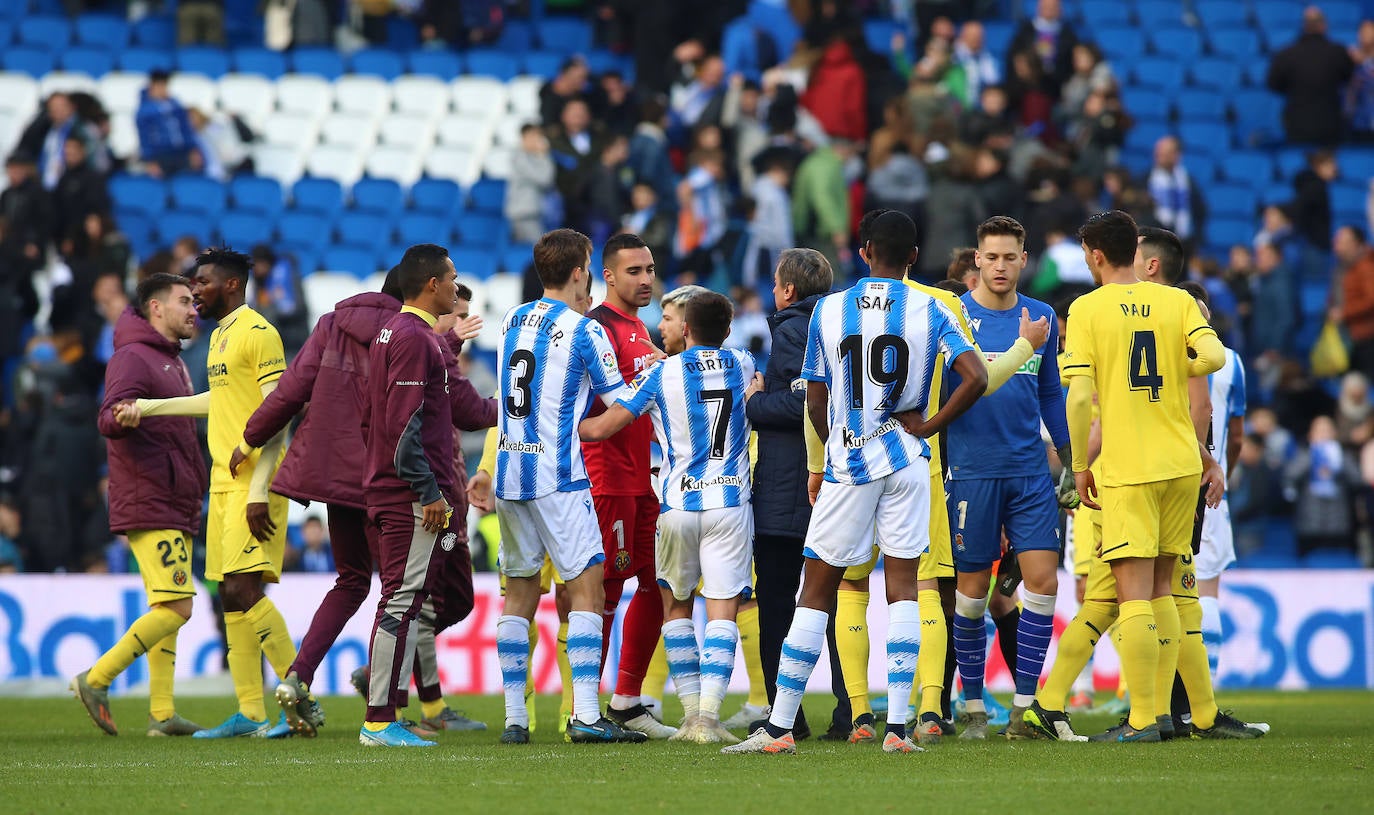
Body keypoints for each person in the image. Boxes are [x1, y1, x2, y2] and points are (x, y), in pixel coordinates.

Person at [724, 209, 989, 756]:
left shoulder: (829, 309)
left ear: (863, 251)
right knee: (904, 588)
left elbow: (815, 399)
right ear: (914, 257)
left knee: (818, 589)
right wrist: (930, 425)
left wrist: (833, 443)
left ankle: (778, 729)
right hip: (908, 460)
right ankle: (898, 728)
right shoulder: (932, 307)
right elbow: (977, 377)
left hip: (850, 461)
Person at [1059, 211, 1226, 742]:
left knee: (1133, 595)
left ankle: (1144, 718)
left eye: (1087, 254)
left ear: (1096, 254)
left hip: (1130, 468)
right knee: (1163, 591)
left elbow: (1081, 394)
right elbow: (1215, 356)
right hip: (1182, 464)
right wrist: (1181, 364)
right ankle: (1185, 718)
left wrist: (1079, 465)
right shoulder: (1177, 301)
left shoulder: (1087, 309)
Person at [116, 248, 295, 739]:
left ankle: (300, 693)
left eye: (203, 282)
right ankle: (253, 713)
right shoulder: (219, 337)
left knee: (242, 589)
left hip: (253, 481)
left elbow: (278, 410)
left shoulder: (261, 333)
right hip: (221, 481)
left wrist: (259, 487)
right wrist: (149, 408)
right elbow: (222, 401)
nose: (195, 292)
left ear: (232, 285)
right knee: (229, 599)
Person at [490, 228, 645, 745]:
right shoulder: (585, 331)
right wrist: (658, 380)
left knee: (518, 595)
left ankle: (515, 720)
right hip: (560, 476)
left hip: (511, 477)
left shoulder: (512, 318)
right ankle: (584, 714)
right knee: (586, 588)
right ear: (580, 270)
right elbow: (619, 401)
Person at [579, 291, 754, 744]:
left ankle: (692, 717)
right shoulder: (745, 363)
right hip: (731, 505)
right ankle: (709, 720)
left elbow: (603, 428)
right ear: (728, 330)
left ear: (687, 330)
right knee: (722, 611)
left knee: (675, 607)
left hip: (677, 507)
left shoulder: (660, 374)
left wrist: (555, 423)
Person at [945, 216, 1073, 740]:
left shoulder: (1041, 316)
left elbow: (1049, 394)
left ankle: (1024, 709)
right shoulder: (954, 318)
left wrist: (1069, 461)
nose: (1000, 266)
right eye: (991, 256)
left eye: (1009, 257)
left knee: (1042, 583)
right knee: (973, 594)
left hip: (1029, 472)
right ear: (976, 259)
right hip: (971, 472)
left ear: (1025, 260)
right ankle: (972, 703)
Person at [73, 273, 207, 737]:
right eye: (185, 301)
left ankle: (162, 713)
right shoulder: (133, 357)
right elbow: (108, 415)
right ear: (156, 308)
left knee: (166, 605)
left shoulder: (172, 361)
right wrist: (123, 416)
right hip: (149, 496)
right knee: (178, 606)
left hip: (174, 496)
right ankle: (96, 679)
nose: (195, 309)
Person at [558, 233, 674, 739]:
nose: (646, 279)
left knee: (658, 583)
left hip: (643, 479)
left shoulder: (641, 328)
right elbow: (577, 408)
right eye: (634, 271)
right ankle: (585, 709)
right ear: (607, 275)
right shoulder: (595, 328)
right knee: (603, 591)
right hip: (606, 478)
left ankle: (627, 700)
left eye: (650, 269)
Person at [356, 244, 461, 748]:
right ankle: (379, 721)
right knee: (401, 601)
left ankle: (386, 716)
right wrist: (430, 493)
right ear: (431, 285)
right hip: (408, 495)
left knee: (405, 600)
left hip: (388, 487)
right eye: (452, 279)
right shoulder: (416, 338)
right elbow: (404, 429)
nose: (457, 289)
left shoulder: (389, 333)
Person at [1267, 6, 1355, 146]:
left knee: (1300, 163)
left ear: (1304, 26)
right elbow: (1351, 79)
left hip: (1297, 123)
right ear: (1324, 26)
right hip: (1330, 123)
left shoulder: (1286, 54)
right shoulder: (1338, 53)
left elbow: (1272, 84)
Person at [135, 70, 202, 178]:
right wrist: (150, 160)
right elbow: (144, 137)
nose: (162, 89)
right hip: (160, 155)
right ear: (152, 86)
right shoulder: (144, 110)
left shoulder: (175, 105)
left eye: (164, 85)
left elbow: (186, 129)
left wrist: (193, 149)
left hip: (181, 153)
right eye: (159, 85)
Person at [1147, 136, 1206, 252]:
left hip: (1184, 241)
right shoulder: (1146, 179)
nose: (1159, 156)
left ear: (1176, 155)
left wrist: (1197, 238)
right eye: (1158, 152)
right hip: (1155, 242)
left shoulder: (1187, 180)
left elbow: (1200, 209)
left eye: (1165, 153)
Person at [1338, 225, 1374, 381]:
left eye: (1341, 241)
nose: (1336, 245)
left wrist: (1344, 312)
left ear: (1355, 243)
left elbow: (1372, 299)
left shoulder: (1366, 266)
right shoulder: (1344, 267)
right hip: (1351, 335)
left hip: (1366, 336)